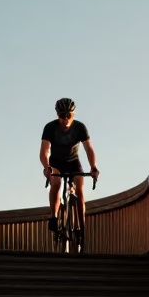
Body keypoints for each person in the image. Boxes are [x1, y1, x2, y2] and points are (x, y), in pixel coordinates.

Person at [40, 98, 99, 235]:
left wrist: (93, 167)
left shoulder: (80, 127)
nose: (66, 120)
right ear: (57, 115)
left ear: (74, 114)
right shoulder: (50, 127)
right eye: (62, 116)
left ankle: (81, 225)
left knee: (79, 190)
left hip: (73, 162)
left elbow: (89, 149)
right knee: (56, 182)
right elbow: (44, 150)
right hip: (56, 162)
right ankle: (54, 217)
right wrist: (46, 166)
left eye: (69, 116)